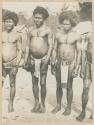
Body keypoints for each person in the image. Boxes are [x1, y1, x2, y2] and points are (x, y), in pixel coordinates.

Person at [51, 10, 81, 115]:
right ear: (61, 23)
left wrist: (77, 67)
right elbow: (54, 49)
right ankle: (58, 105)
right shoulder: (58, 35)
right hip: (59, 62)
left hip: (71, 63)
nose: (66, 25)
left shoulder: (76, 36)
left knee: (69, 86)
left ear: (72, 24)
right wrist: (53, 62)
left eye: (68, 24)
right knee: (58, 85)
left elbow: (79, 53)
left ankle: (68, 107)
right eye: (64, 23)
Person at [24, 6, 53, 113]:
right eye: (36, 17)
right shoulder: (30, 30)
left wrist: (48, 58)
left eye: (40, 18)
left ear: (44, 18)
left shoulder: (47, 30)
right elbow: (27, 46)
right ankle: (36, 103)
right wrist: (26, 59)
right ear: (33, 17)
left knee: (43, 83)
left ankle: (43, 104)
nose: (37, 20)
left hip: (43, 59)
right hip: (32, 59)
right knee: (34, 82)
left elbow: (50, 46)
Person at [2, 11, 22, 112]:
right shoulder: (1, 34)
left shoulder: (17, 35)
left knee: (12, 84)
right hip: (2, 64)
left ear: (14, 22)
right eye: (6, 21)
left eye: (10, 21)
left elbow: (19, 50)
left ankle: (11, 104)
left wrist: (16, 65)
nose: (8, 24)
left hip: (13, 63)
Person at [76, 2, 92, 121]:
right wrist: (81, 67)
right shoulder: (86, 29)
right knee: (85, 88)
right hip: (88, 63)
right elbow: (82, 50)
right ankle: (82, 111)